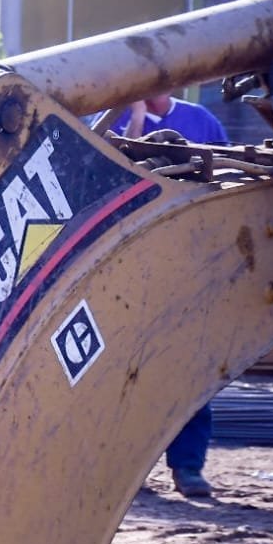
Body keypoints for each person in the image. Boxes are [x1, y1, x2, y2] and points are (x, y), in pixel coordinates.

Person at [113, 91, 226, 497]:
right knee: (132, 373)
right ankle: (130, 472)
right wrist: (138, 119)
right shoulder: (119, 120)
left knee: (192, 371)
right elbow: (117, 171)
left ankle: (188, 469)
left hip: (195, 263)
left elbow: (230, 179)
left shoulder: (201, 120)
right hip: (135, 266)